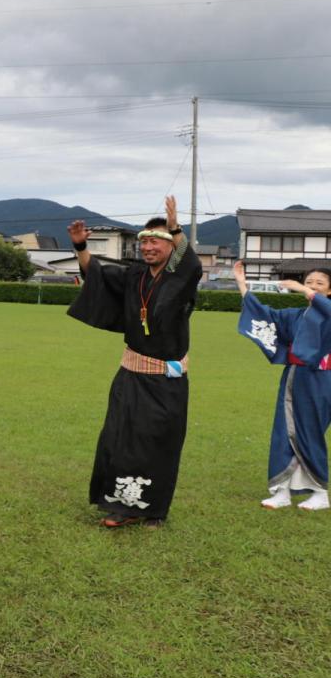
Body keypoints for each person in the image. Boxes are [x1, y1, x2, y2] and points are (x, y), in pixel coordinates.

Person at [66, 197, 201, 527]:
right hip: (130, 374)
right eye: (144, 240)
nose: (148, 246)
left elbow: (192, 265)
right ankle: (122, 507)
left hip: (166, 381)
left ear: (171, 245)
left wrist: (175, 226)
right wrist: (81, 245)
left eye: (156, 240)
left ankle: (153, 510)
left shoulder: (179, 278)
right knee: (119, 438)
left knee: (158, 443)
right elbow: (94, 272)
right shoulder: (135, 276)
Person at [234, 261, 331, 511]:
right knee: (284, 430)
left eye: (320, 283)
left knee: (310, 432)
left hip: (321, 380)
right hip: (294, 376)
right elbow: (266, 316)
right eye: (309, 282)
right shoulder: (296, 315)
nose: (312, 286)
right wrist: (242, 286)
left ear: (329, 290)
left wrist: (302, 289)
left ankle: (320, 492)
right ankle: (282, 491)